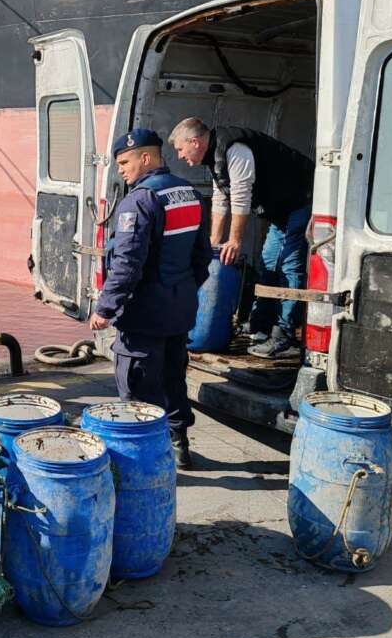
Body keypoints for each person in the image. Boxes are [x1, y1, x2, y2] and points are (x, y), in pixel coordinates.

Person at [90, 128, 212, 468]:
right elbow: (202, 257)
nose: (121, 170)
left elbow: (127, 263)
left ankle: (145, 460)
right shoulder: (189, 193)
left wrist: (105, 308)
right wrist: (182, 289)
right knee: (174, 376)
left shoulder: (140, 200)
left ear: (146, 158)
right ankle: (179, 445)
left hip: (144, 314)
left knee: (138, 386)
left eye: (125, 162)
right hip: (179, 309)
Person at [168, 117, 313, 359]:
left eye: (181, 149)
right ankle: (261, 325)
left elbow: (240, 197)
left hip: (301, 200)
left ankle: (285, 336)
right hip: (281, 210)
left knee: (289, 264)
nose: (181, 156)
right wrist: (213, 242)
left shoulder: (235, 149)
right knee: (268, 261)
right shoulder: (215, 157)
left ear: (194, 141)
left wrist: (234, 240)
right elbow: (221, 198)